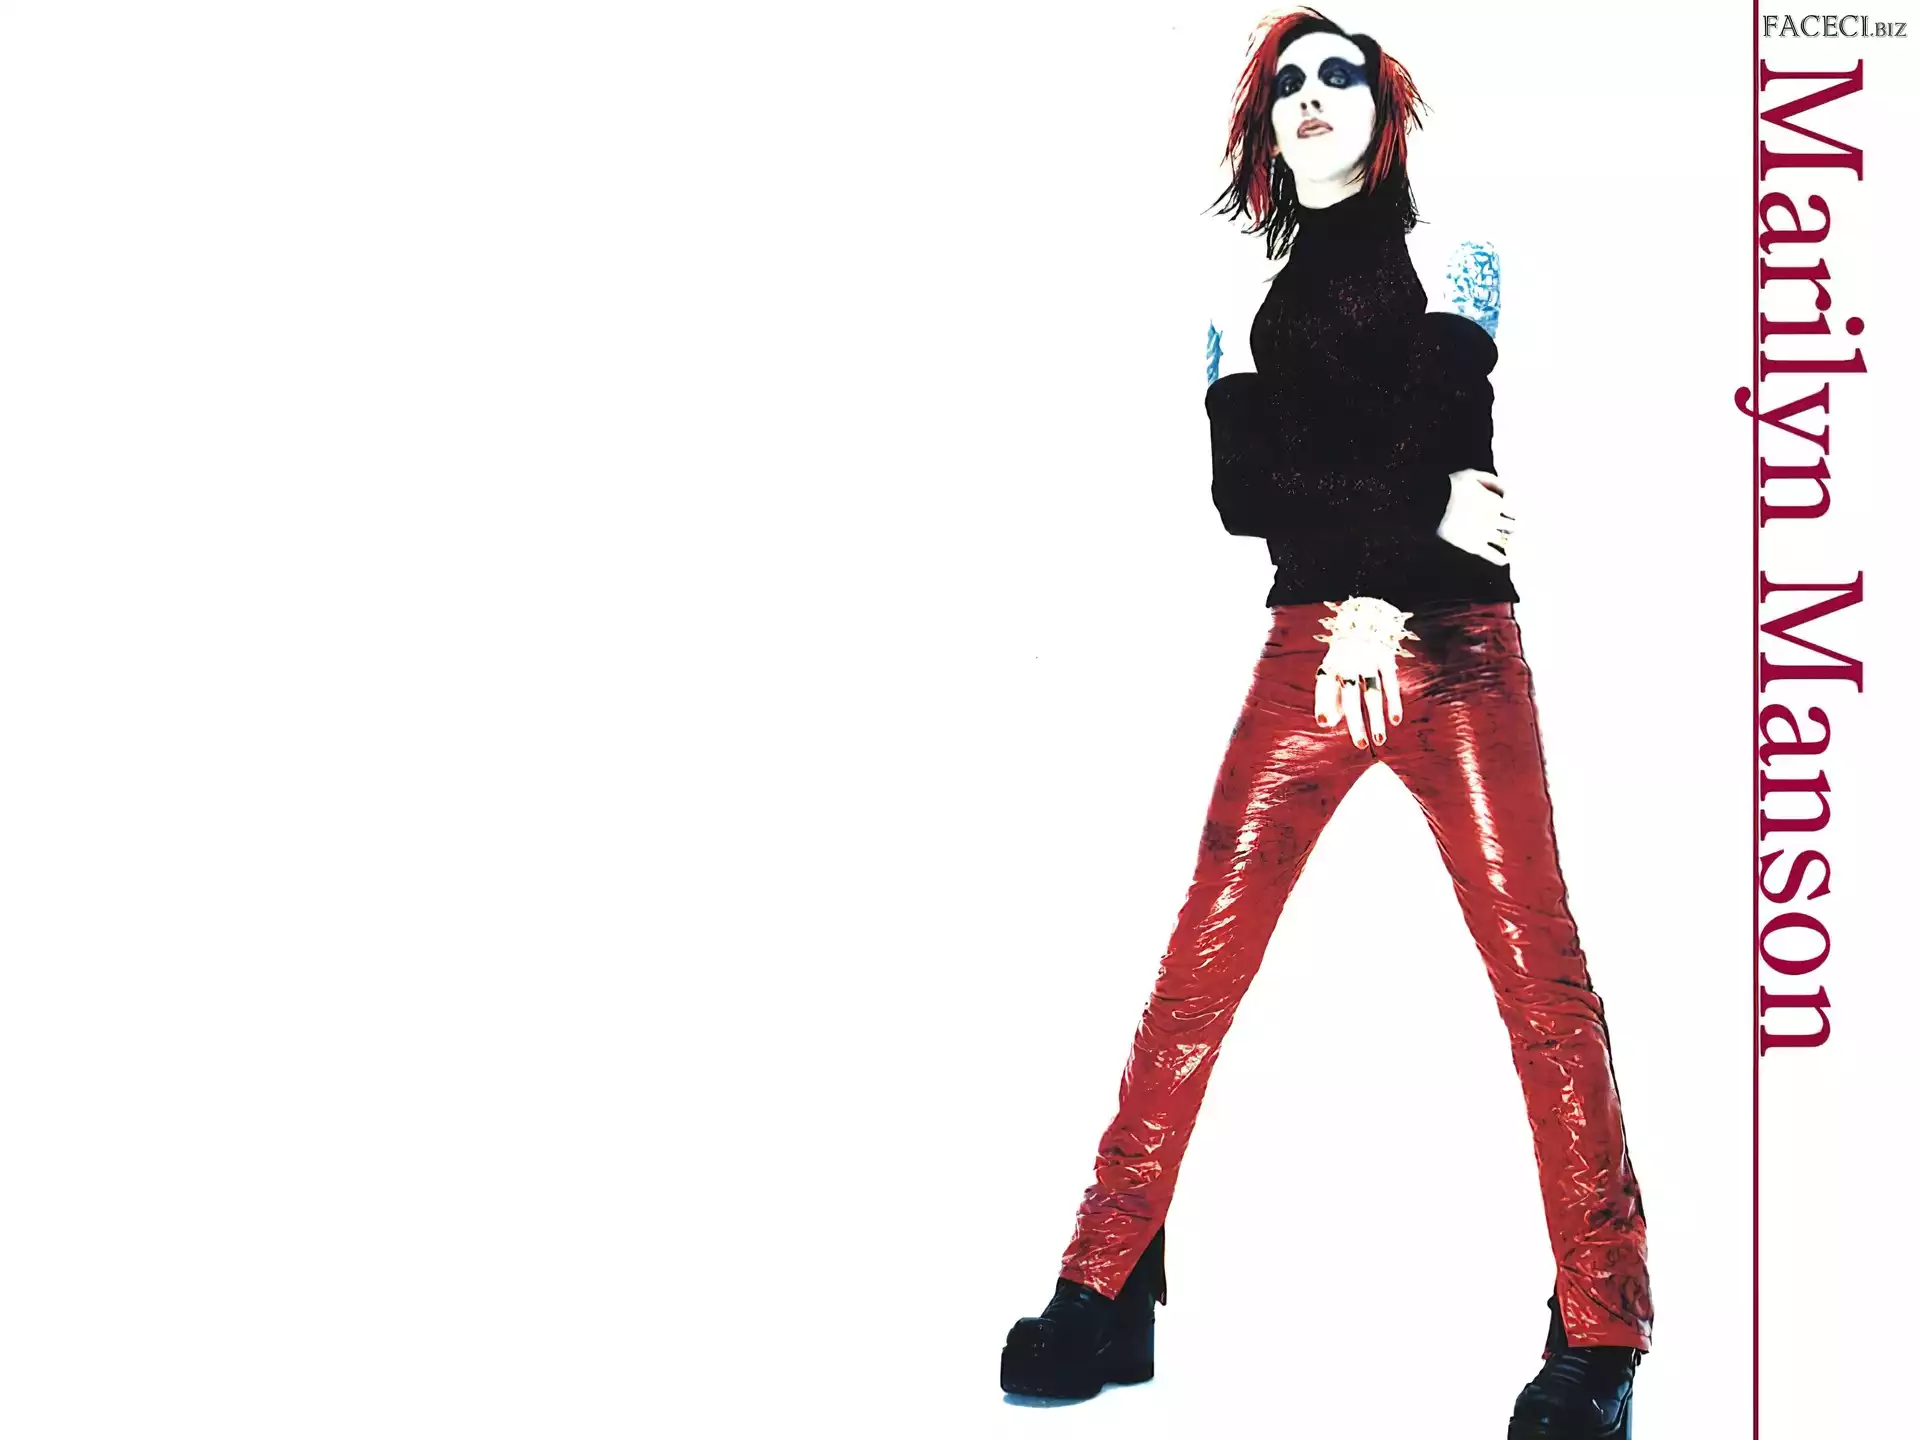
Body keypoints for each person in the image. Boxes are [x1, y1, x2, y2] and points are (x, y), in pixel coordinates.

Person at [998, 11, 1653, 1438]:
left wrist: (1383, 580)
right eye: (1285, 82)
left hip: (1458, 649)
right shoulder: (1234, 291)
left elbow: (1454, 445)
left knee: (1542, 982)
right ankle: (1103, 1283)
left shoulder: (1457, 250)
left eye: (1337, 74)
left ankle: (1602, 1329)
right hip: (1310, 648)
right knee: (1199, 967)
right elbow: (1248, 493)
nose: (1309, 95)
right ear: (1263, 123)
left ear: (1381, 110)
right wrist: (1383, 553)